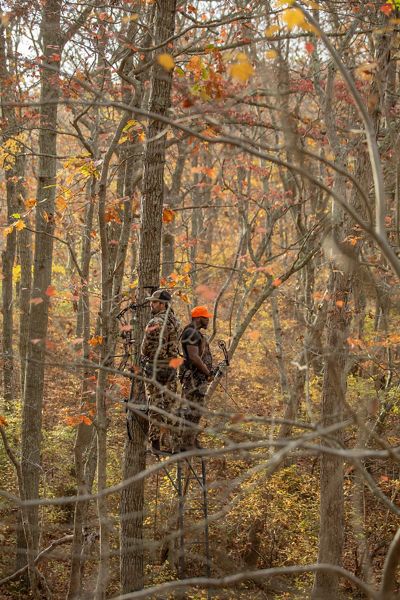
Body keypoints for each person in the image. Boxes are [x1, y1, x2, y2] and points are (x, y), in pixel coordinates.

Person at [141, 289, 181, 452]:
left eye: (154, 302)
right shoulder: (176, 321)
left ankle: (155, 441)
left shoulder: (154, 322)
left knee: (156, 403)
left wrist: (145, 355)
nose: (151, 304)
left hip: (156, 367)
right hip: (171, 367)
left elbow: (145, 348)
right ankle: (176, 442)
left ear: (163, 304)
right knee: (170, 404)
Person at [178, 305, 213, 449]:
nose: (208, 321)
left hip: (198, 378)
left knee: (195, 410)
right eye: (206, 318)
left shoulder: (194, 332)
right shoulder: (191, 333)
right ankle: (186, 443)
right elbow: (193, 357)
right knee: (192, 411)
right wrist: (207, 372)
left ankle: (190, 440)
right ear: (199, 318)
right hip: (194, 379)